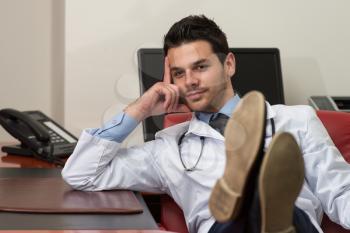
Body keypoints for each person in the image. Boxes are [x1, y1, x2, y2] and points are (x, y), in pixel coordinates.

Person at [62, 15, 350, 233]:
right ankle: (249, 192)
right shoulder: (168, 147)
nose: (190, 81)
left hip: (295, 225)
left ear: (229, 64)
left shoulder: (296, 120)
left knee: (280, 213)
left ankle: (254, 193)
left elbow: (340, 193)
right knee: (231, 220)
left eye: (200, 67)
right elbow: (81, 174)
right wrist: (140, 108)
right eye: (178, 73)